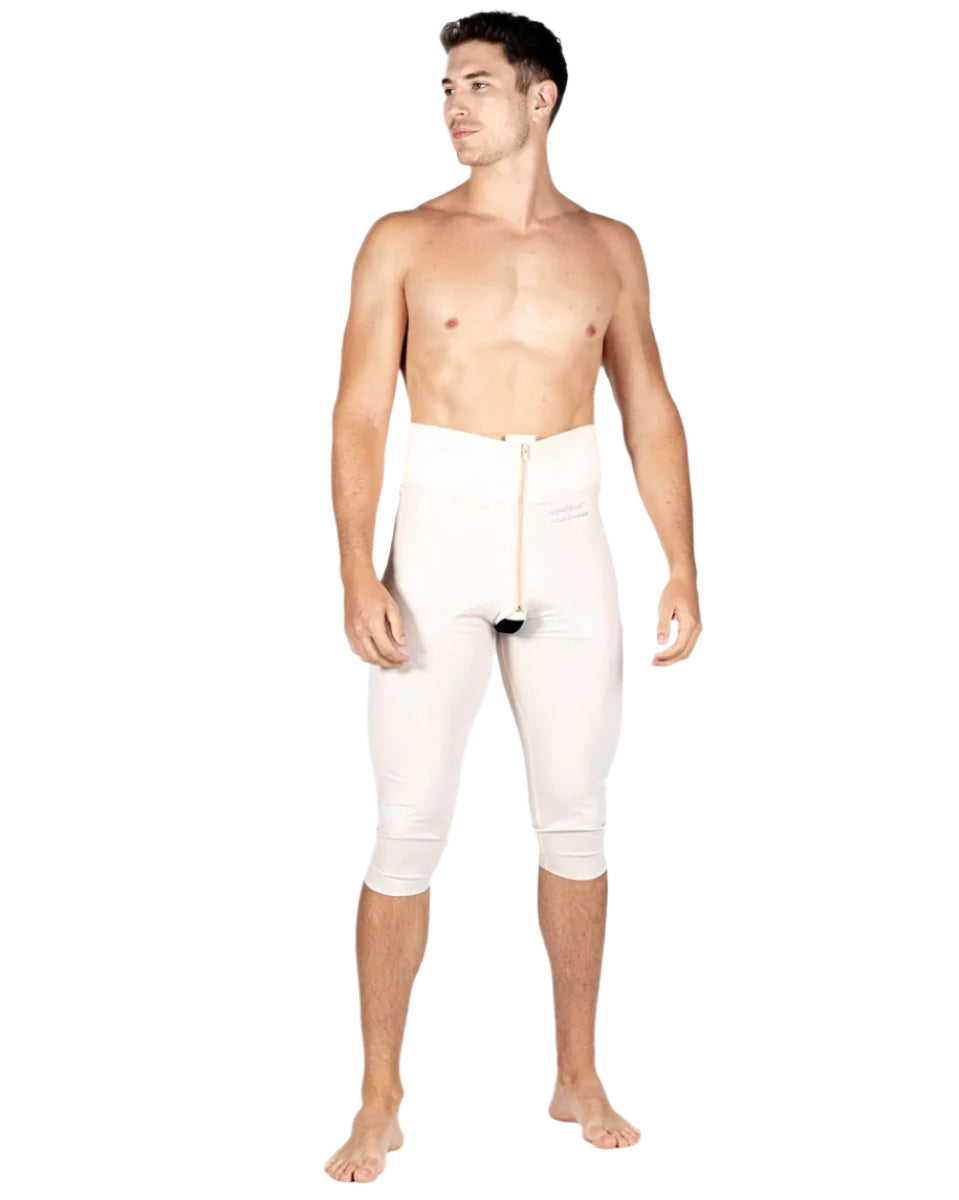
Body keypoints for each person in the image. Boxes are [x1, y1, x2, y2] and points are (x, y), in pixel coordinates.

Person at [327, 10, 702, 1184]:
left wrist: (682, 561)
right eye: (446, 86)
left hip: (570, 538)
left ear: (540, 98)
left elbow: (647, 405)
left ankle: (575, 1072)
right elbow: (358, 412)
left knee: (576, 819)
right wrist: (353, 568)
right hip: (438, 541)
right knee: (406, 826)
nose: (453, 106)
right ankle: (379, 1096)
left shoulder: (609, 246)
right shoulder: (402, 238)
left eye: (476, 85)